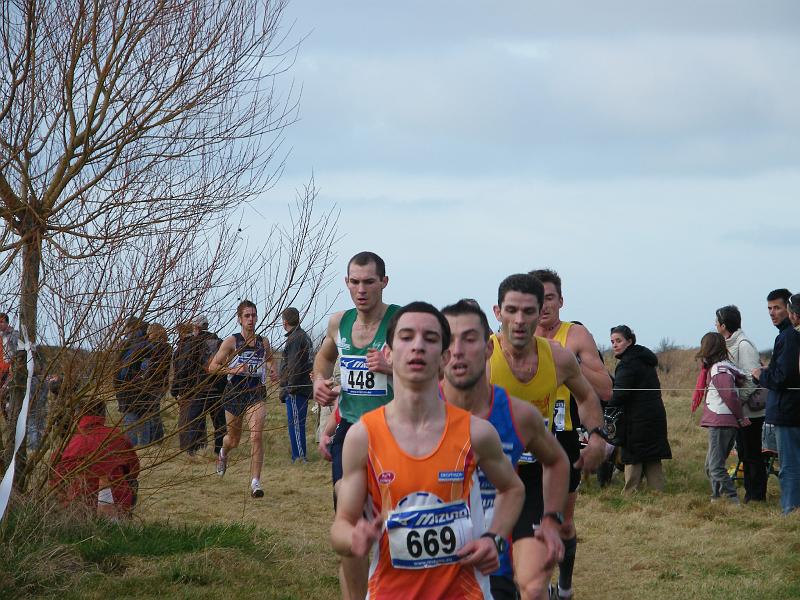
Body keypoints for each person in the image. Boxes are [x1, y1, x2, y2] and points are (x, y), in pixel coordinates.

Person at [331, 302, 525, 599]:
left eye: (430, 338)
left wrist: (493, 538)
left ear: (444, 357)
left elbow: (512, 489)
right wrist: (352, 537)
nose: (418, 346)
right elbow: (341, 526)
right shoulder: (363, 436)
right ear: (388, 353)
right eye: (407, 337)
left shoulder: (476, 433)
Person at [488, 274, 606, 600]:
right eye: (512, 310)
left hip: (535, 475)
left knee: (534, 585)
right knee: (492, 584)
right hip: (485, 480)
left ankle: (560, 588)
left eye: (529, 311)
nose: (520, 320)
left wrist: (596, 436)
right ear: (497, 312)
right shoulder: (481, 356)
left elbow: (587, 396)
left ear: (540, 311)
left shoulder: (557, 357)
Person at [441, 299, 569, 600]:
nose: (457, 350)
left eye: (469, 339)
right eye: (448, 340)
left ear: (489, 348)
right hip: (434, 560)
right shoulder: (413, 414)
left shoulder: (518, 414)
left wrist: (552, 519)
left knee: (532, 588)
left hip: (495, 553)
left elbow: (557, 461)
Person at [312, 251, 399, 600]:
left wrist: (392, 368)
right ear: (346, 282)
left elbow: (432, 370)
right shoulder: (339, 322)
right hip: (350, 432)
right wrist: (319, 381)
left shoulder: (400, 321)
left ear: (384, 282)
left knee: (393, 524)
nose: (361, 290)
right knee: (348, 526)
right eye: (355, 282)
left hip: (393, 432)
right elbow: (324, 357)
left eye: (369, 282)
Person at [530, 268, 612, 600]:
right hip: (524, 438)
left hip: (562, 437)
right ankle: (537, 586)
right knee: (529, 520)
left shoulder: (575, 335)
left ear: (561, 301)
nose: (543, 305)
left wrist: (569, 365)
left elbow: (605, 389)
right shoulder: (514, 335)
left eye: (549, 298)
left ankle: (564, 586)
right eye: (537, 299)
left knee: (562, 522)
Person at [209, 300, 273, 498]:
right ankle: (223, 452)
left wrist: (272, 369)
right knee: (234, 440)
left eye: (253, 315)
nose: (251, 319)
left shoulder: (263, 342)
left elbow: (269, 359)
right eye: (247, 316)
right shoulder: (232, 342)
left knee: (256, 436)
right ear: (239, 319)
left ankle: (255, 483)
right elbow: (213, 367)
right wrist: (233, 369)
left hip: (256, 392)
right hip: (235, 392)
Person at [50, 398, 140, 518]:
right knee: (132, 482)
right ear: (103, 415)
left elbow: (54, 481)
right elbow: (134, 469)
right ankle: (124, 518)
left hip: (76, 504)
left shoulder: (67, 445)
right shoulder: (117, 437)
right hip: (116, 501)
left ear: (77, 416)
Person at [753, 289, 800, 514]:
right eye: (769, 309)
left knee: (789, 466)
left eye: (778, 308)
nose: (772, 313)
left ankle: (790, 511)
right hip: (789, 409)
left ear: (791, 312)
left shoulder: (789, 336)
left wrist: (761, 375)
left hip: (789, 411)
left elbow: (783, 378)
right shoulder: (789, 335)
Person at [608, 325, 672, 493]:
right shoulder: (645, 359)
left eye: (619, 341)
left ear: (629, 341)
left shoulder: (627, 364)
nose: (615, 345)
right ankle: (658, 493)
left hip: (637, 418)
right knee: (653, 455)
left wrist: (606, 405)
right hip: (655, 415)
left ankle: (630, 494)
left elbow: (620, 394)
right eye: (612, 342)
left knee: (633, 455)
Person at [715, 305, 767, 502]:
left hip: (750, 412)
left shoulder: (743, 345)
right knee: (744, 453)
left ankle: (756, 496)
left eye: (717, 321)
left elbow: (753, 378)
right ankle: (750, 492)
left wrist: (737, 401)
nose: (715, 325)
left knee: (752, 453)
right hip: (739, 411)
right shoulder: (729, 344)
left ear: (723, 325)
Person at [696, 332, 750, 504]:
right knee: (711, 466)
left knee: (715, 467)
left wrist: (740, 418)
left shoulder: (719, 369)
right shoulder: (722, 367)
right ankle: (717, 499)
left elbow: (730, 396)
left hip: (721, 422)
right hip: (721, 421)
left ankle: (732, 500)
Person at [279, 306, 313, 463]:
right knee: (299, 423)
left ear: (285, 322)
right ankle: (300, 455)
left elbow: (293, 366)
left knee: (296, 425)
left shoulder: (294, 339)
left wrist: (289, 388)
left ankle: (299, 457)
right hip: (303, 386)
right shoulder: (303, 336)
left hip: (296, 388)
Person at [114, 318, 154, 447]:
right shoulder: (145, 343)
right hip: (140, 386)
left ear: (132, 328)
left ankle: (131, 447)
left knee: (131, 417)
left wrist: (122, 383)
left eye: (126, 327)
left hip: (130, 387)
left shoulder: (134, 345)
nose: (125, 330)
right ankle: (144, 446)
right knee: (143, 417)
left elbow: (125, 369)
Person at [192, 315, 228, 457]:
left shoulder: (194, 344)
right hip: (218, 387)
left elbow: (189, 367)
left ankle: (199, 450)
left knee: (197, 421)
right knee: (219, 422)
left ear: (196, 327)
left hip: (200, 387)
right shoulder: (220, 343)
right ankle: (219, 451)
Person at [172, 321, 200, 453]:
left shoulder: (182, 348)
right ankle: (198, 448)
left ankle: (187, 450)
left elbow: (180, 371)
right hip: (199, 387)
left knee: (185, 420)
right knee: (197, 420)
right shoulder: (198, 344)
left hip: (187, 389)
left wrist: (175, 390)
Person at [0, 312, 19, 420]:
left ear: (7, 323)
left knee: (8, 398)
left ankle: (11, 421)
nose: (0, 324)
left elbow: (18, 353)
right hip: (1, 371)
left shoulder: (14, 335)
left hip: (10, 371)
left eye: (1, 322)